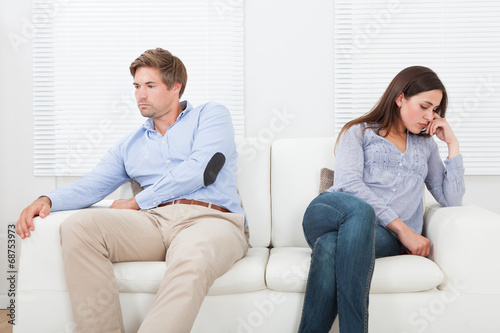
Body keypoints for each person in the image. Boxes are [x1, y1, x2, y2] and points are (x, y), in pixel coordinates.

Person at [15, 48, 249, 333]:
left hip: (212, 220)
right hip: (154, 223)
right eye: (137, 86)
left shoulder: (211, 115)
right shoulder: (130, 145)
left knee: (192, 258)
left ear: (176, 87)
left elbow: (202, 170)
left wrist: (138, 201)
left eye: (150, 86)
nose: (141, 94)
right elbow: (92, 185)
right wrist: (47, 199)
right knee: (79, 227)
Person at [298, 66, 465, 333]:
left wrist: (452, 145)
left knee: (330, 247)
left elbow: (452, 200)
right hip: (329, 213)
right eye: (424, 106)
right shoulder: (359, 132)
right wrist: (404, 230)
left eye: (434, 110)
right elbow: (349, 184)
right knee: (361, 211)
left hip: (378, 236)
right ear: (400, 98)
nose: (429, 116)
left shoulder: (426, 146)